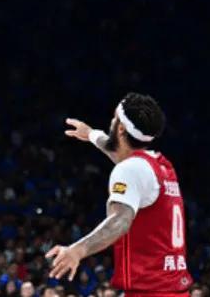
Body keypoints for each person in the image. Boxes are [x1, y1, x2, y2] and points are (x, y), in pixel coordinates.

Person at [47, 93, 193, 296]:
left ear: (121, 128)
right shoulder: (161, 165)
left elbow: (121, 220)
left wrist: (77, 250)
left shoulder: (129, 169)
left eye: (114, 118)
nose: (112, 121)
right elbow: (121, 156)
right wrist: (91, 134)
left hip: (150, 291)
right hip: (172, 289)